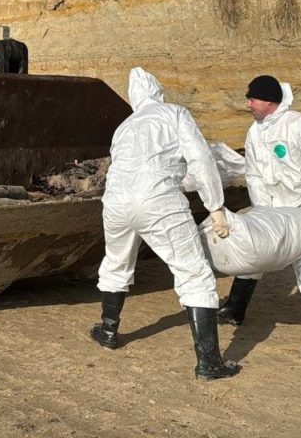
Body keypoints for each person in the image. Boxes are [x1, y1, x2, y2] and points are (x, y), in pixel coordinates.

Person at [90, 67, 240, 381]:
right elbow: (200, 159)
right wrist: (216, 206)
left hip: (115, 202)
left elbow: (134, 166)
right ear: (159, 91)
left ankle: (107, 329)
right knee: (193, 271)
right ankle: (209, 362)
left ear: (134, 99)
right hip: (157, 200)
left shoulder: (125, 126)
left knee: (117, 262)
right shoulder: (173, 113)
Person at [218, 75, 301, 357]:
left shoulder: (298, 124)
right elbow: (253, 174)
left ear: (268, 101)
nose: (248, 103)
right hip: (272, 210)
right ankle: (234, 309)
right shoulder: (255, 132)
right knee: (255, 252)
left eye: (252, 98)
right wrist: (261, 213)